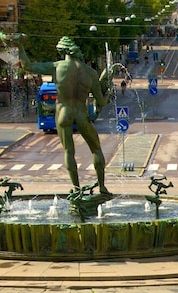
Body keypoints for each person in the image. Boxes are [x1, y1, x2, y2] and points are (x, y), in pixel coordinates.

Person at [21, 36, 113, 195]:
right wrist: (105, 98)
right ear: (76, 51)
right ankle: (102, 187)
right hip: (82, 114)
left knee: (69, 152)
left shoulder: (57, 67)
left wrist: (19, 46)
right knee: (96, 149)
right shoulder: (89, 72)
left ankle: (77, 189)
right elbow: (101, 101)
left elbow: (28, 66)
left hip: (63, 112)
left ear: (62, 51)